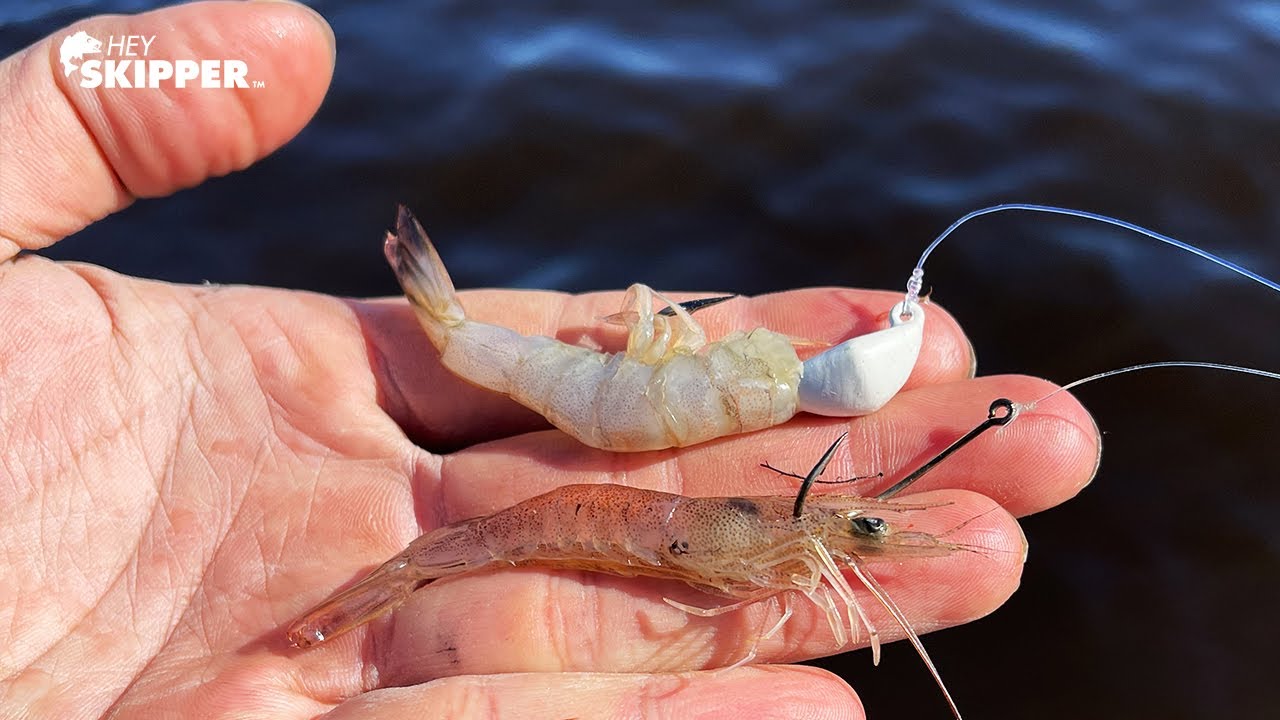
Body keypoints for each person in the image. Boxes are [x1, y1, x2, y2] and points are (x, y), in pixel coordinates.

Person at [0, 2, 1098, 717]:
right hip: (576, 518)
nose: (844, 534)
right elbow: (728, 553)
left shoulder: (769, 492)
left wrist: (820, 530)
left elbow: (759, 537)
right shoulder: (752, 493)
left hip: (624, 499)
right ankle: (348, 608)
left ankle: (351, 607)